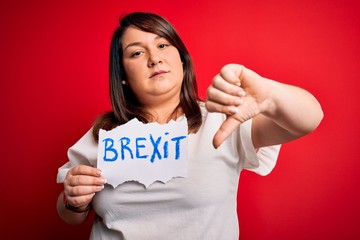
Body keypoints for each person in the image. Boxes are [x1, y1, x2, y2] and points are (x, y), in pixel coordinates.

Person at [56, 12, 323, 240]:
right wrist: (73, 201)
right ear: (123, 76)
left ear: (182, 58)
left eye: (163, 46)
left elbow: (310, 119)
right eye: (137, 52)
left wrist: (269, 95)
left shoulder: (223, 120)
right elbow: (70, 215)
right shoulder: (102, 136)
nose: (154, 58)